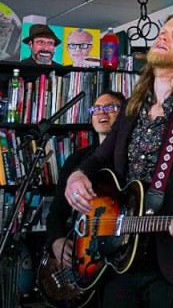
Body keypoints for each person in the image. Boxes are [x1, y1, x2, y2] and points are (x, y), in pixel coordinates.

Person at [64, 14, 173, 307]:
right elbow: (101, 156)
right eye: (163, 31)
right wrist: (78, 175)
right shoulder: (132, 105)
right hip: (118, 256)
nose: (163, 36)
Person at [45, 91, 124, 268]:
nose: (102, 113)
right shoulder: (76, 160)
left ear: (125, 115)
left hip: (120, 253)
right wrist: (56, 240)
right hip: (82, 253)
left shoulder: (132, 159)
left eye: (110, 107)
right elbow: (57, 209)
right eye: (96, 109)